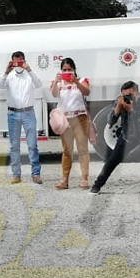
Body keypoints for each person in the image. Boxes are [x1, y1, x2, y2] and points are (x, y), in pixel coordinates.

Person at [0, 50, 44, 184]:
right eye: (15, 61)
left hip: (28, 112)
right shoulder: (9, 76)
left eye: (20, 61)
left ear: (24, 61)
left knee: (32, 144)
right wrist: (6, 71)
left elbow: (39, 84)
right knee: (14, 145)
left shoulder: (29, 75)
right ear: (12, 62)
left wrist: (30, 70)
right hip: (13, 113)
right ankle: (16, 174)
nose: (18, 64)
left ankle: (36, 174)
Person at [89, 82, 139, 195]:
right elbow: (110, 122)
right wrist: (118, 108)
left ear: (137, 93)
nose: (128, 98)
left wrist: (132, 109)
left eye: (130, 95)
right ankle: (97, 185)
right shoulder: (120, 102)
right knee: (112, 161)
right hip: (128, 136)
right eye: (125, 95)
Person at [50, 57, 92, 190]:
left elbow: (87, 92)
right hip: (65, 120)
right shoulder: (59, 83)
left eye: (69, 69)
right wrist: (57, 81)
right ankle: (64, 180)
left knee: (82, 149)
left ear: (74, 70)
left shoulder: (81, 80)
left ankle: (84, 178)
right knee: (67, 151)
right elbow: (54, 94)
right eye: (64, 70)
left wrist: (75, 82)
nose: (67, 72)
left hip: (80, 118)